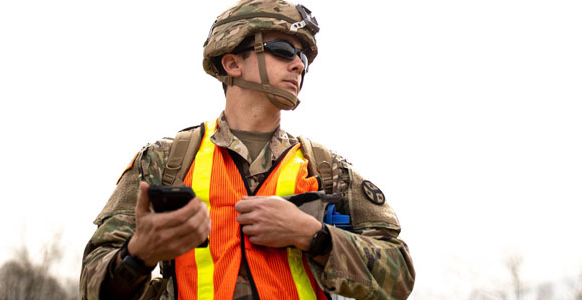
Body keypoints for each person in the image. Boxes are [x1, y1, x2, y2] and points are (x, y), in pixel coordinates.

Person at [79, 1, 415, 299]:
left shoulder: (325, 170)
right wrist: (138, 255)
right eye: (283, 49)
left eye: (303, 57)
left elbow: (399, 276)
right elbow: (93, 285)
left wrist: (314, 236)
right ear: (231, 64)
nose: (298, 65)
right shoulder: (164, 162)